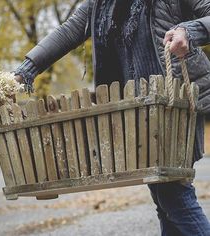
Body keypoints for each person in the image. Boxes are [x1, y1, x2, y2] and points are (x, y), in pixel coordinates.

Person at [15, 0, 210, 235]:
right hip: (134, 113)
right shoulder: (101, 3)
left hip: (172, 105)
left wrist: (189, 31)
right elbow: (68, 31)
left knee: (173, 197)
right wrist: (25, 70)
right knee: (164, 200)